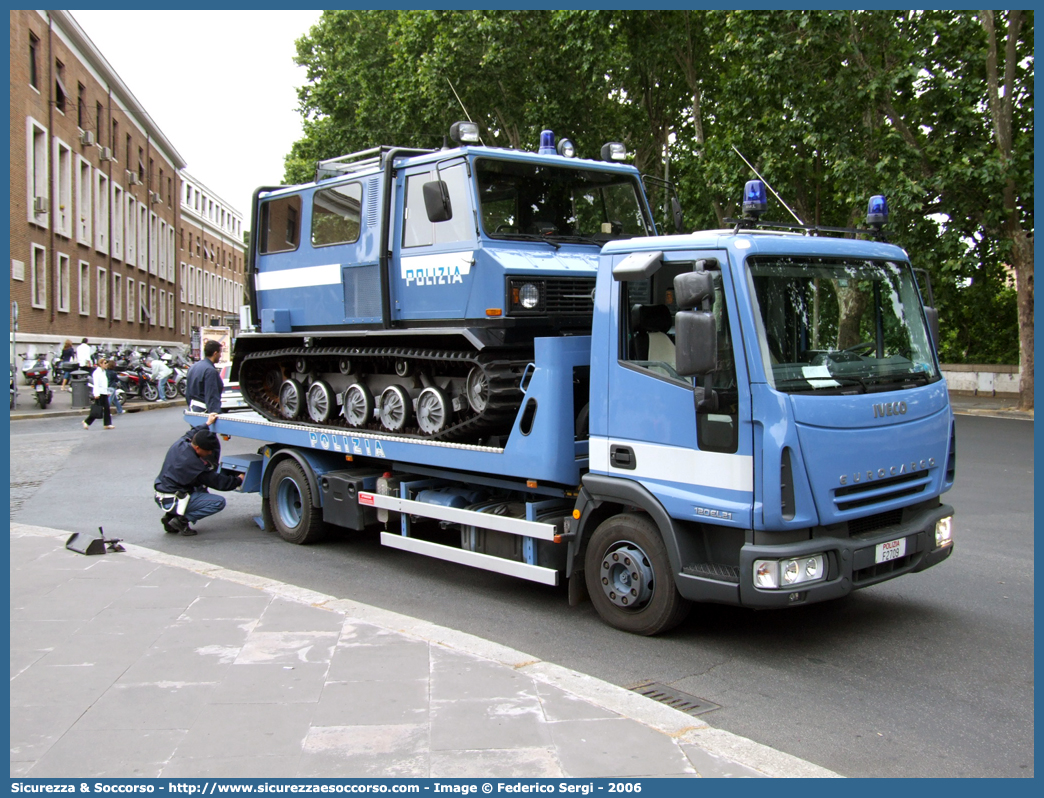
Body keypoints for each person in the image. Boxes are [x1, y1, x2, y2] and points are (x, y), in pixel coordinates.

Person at [153, 413, 243, 536]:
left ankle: (170, 517)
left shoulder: (181, 443)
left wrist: (207, 424)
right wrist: (238, 479)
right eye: (208, 451)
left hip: (162, 493)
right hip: (173, 498)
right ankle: (181, 520)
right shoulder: (193, 464)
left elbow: (193, 432)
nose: (210, 453)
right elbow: (219, 483)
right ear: (198, 448)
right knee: (218, 502)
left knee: (200, 488)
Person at [185, 339, 224, 414]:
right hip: (204, 411)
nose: (220, 355)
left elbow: (188, 392)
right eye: (220, 353)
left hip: (193, 409)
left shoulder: (193, 367)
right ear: (215, 353)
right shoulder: (210, 371)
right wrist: (215, 412)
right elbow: (212, 395)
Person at [82, 358, 114, 430]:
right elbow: (96, 384)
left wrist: (107, 392)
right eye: (105, 363)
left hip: (104, 392)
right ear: (100, 364)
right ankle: (86, 421)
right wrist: (96, 394)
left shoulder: (103, 372)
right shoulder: (97, 373)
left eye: (107, 363)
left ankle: (107, 424)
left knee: (106, 408)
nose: (106, 365)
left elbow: (104, 384)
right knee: (97, 409)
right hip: (99, 393)